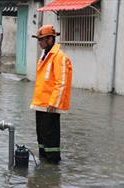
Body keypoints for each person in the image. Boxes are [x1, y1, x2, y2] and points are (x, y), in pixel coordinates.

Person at [30, 25, 72, 164]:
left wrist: (54, 103)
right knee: (41, 138)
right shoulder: (44, 56)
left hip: (51, 106)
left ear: (50, 39)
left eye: (42, 40)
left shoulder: (59, 57)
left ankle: (53, 166)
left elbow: (62, 82)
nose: (40, 42)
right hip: (40, 104)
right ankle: (43, 165)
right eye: (39, 40)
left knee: (51, 139)